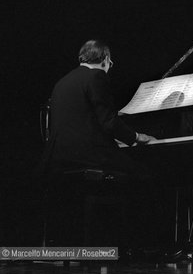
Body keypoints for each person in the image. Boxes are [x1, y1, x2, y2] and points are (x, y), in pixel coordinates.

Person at [43, 39, 156, 176]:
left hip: (59, 157)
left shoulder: (62, 82)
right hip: (88, 155)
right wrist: (136, 137)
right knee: (145, 172)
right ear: (106, 59)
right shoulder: (96, 76)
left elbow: (81, 121)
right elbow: (109, 121)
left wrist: (109, 137)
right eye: (110, 64)